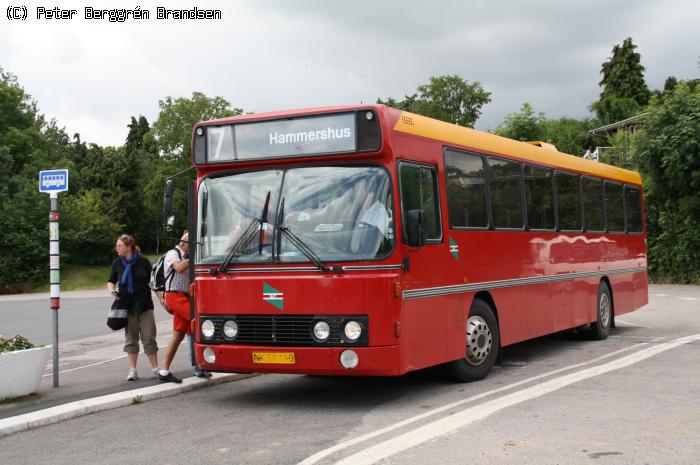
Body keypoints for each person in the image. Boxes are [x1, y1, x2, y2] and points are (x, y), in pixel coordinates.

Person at [155, 231, 212, 380]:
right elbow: (179, 268)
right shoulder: (173, 254)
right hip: (175, 296)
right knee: (200, 322)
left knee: (179, 335)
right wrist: (195, 256)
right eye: (192, 246)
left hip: (185, 296)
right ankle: (200, 365)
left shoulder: (186, 256)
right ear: (185, 244)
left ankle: (164, 371)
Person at [107, 234, 159, 381]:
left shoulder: (143, 262)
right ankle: (133, 370)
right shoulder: (117, 263)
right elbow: (111, 281)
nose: (117, 248)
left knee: (149, 337)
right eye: (117, 246)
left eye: (119, 246)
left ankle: (155, 369)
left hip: (145, 305)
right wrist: (112, 290)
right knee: (131, 339)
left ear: (128, 246)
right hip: (127, 306)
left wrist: (161, 298)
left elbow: (153, 282)